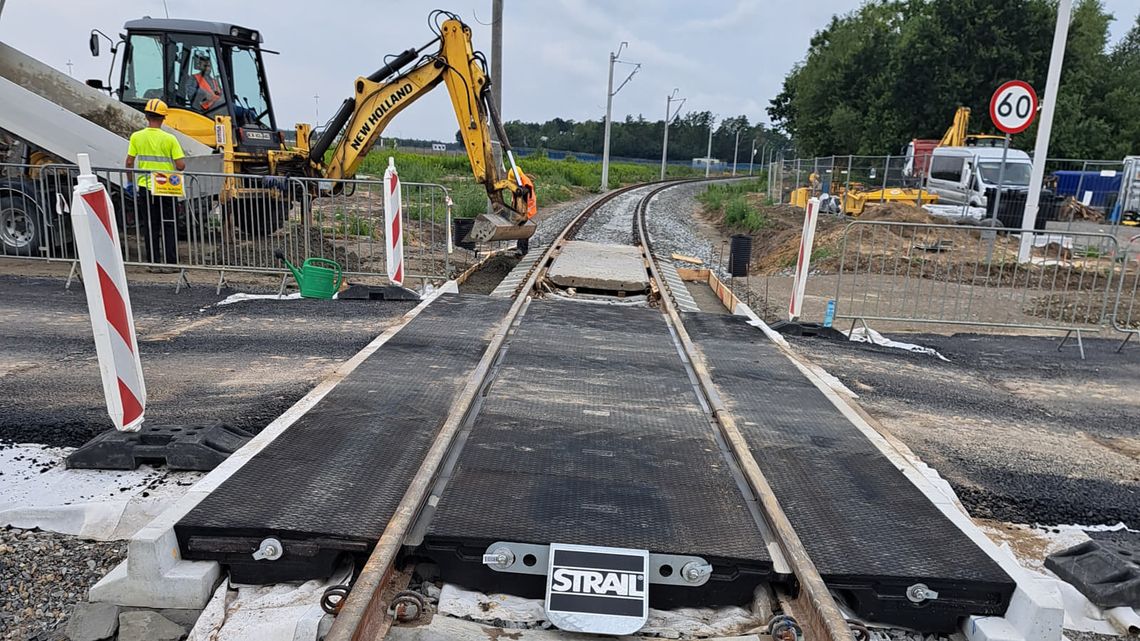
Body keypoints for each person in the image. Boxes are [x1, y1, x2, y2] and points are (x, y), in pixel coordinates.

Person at [125, 99, 186, 267]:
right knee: (169, 223)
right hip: (167, 187)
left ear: (146, 116)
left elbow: (129, 162)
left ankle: (153, 262)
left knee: (151, 225)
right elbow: (181, 166)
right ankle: (171, 262)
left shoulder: (136, 137)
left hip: (146, 187)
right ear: (164, 118)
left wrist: (130, 183)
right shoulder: (170, 139)